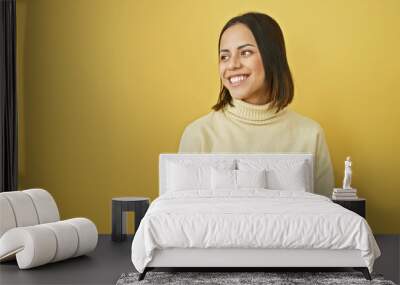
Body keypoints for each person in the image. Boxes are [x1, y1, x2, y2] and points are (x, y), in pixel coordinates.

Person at [178, 12, 334, 197]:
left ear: (272, 58)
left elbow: (325, 217)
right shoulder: (199, 135)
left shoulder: (310, 134)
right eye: (224, 56)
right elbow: (183, 218)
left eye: (245, 53)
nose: (232, 65)